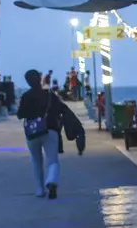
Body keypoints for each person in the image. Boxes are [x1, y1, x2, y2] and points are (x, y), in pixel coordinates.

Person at [17, 69, 86, 199]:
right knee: (52, 160)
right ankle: (51, 181)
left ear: (27, 81)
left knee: (36, 161)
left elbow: (20, 115)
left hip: (32, 132)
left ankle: (39, 190)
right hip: (50, 130)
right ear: (40, 79)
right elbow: (61, 109)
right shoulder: (49, 95)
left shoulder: (26, 96)